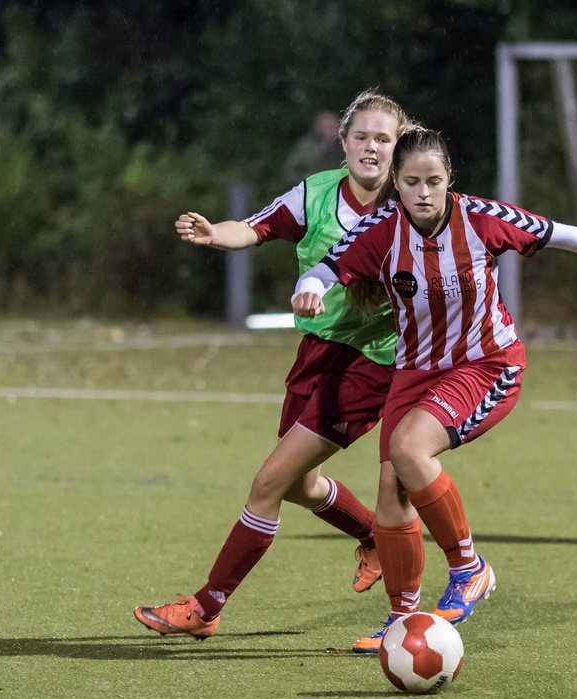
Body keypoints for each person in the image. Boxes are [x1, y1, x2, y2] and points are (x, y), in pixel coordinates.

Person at [293, 128, 577, 652]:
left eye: (434, 181)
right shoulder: (382, 229)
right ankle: (402, 622)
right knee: (391, 492)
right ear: (396, 182)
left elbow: (559, 233)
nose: (423, 192)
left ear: (450, 181)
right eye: (413, 182)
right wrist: (309, 287)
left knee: (409, 450)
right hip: (414, 370)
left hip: (485, 364)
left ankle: (469, 567)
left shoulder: (480, 219)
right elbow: (331, 265)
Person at [134, 90, 418, 639]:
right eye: (361, 136)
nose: (371, 147)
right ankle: (374, 538)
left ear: (398, 146)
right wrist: (217, 232)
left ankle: (206, 606)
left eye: (383, 139)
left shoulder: (409, 204)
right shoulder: (315, 194)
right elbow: (256, 226)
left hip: (372, 362)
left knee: (267, 482)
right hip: (316, 353)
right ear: (343, 142)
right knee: (301, 485)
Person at [282, 110, 342, 184]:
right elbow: (290, 170)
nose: (330, 131)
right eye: (326, 127)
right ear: (318, 128)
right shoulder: (306, 146)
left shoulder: (343, 147)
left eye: (333, 126)